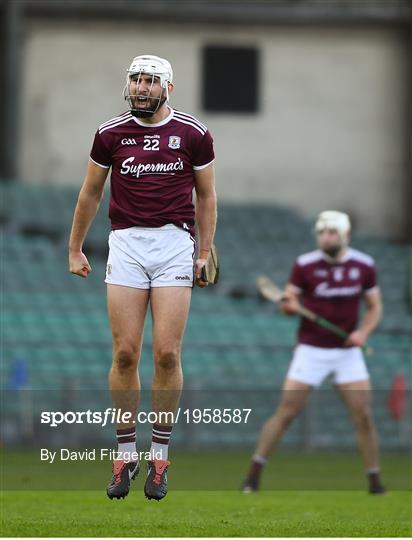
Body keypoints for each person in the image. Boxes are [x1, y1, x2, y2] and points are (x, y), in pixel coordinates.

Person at [68, 55, 217, 501]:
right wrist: (75, 247)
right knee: (126, 353)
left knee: (168, 355)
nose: (141, 87)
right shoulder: (109, 134)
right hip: (127, 245)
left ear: (168, 88)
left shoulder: (194, 134)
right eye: (136, 79)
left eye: (151, 81)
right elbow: (91, 192)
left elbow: (207, 197)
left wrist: (204, 251)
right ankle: (125, 453)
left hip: (174, 243)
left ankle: (160, 457)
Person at [242, 211, 385, 494]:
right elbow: (288, 302)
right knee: (287, 412)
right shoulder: (304, 265)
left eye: (332, 232)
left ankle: (374, 480)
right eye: (322, 232)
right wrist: (288, 306)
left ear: (345, 235)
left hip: (347, 352)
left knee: (364, 415)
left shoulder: (364, 265)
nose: (326, 237)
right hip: (311, 349)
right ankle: (253, 475)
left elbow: (375, 307)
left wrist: (362, 333)